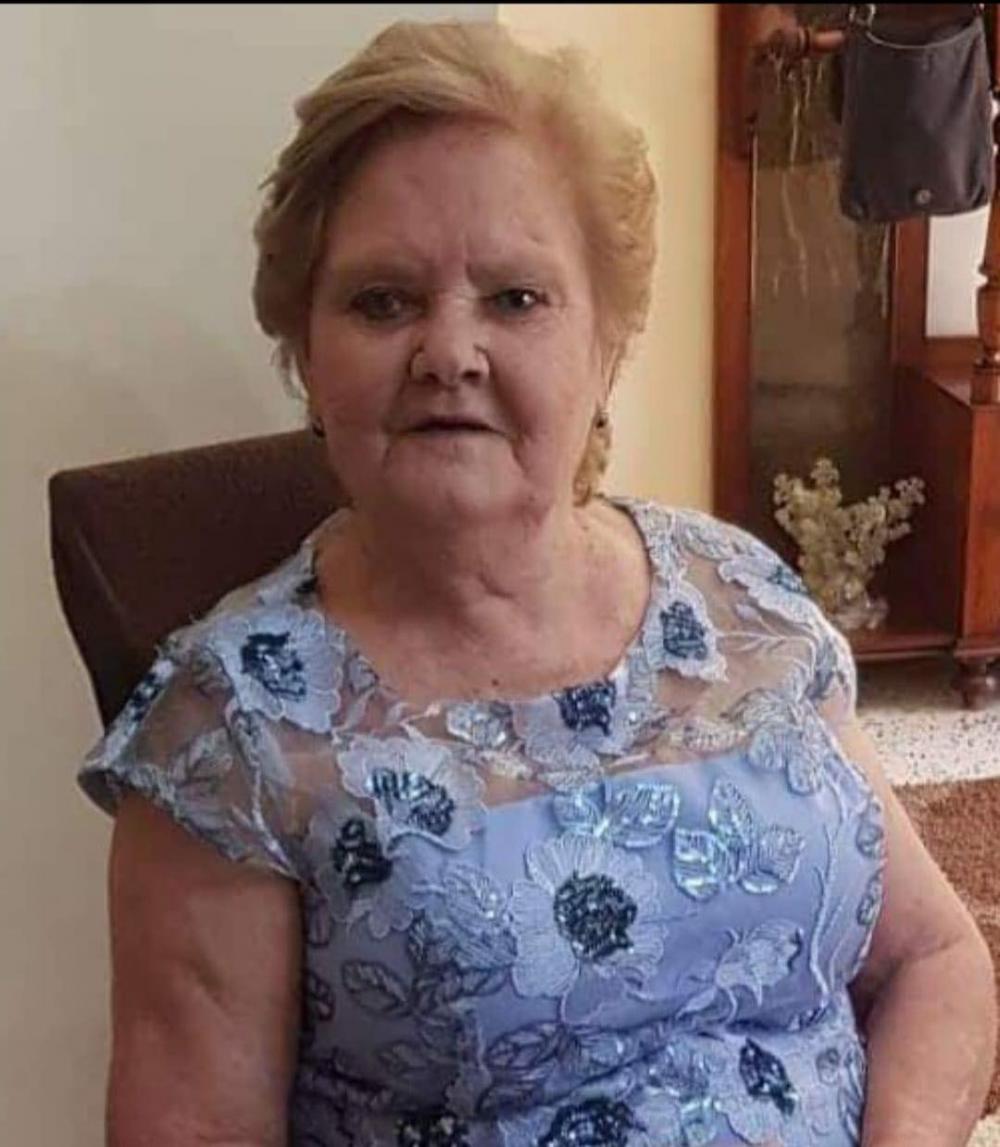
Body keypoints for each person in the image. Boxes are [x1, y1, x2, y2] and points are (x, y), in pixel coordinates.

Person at [77, 18, 995, 1147]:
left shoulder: (737, 593)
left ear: (607, 345)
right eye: (381, 301)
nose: (449, 352)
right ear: (306, 352)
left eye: (515, 298)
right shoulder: (232, 734)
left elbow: (934, 956)